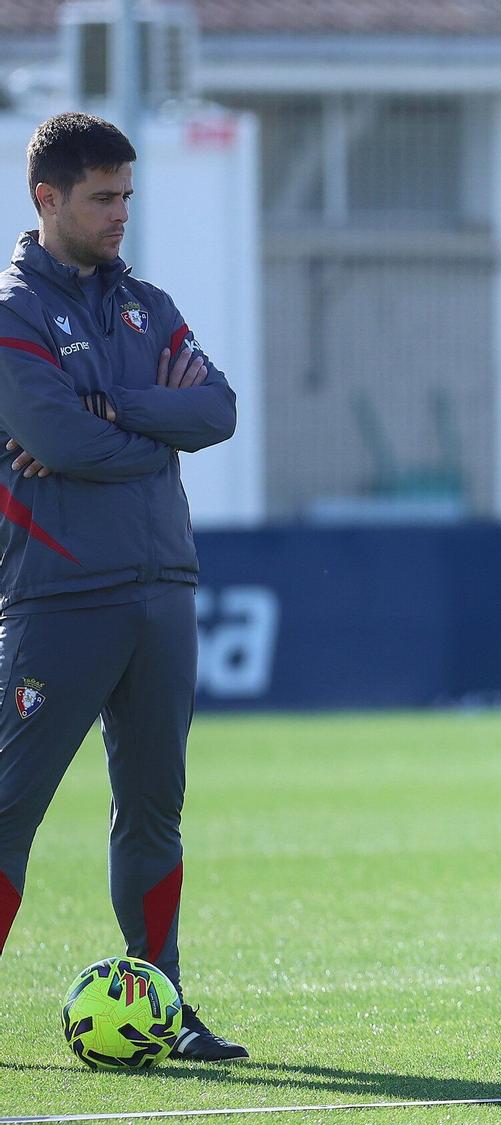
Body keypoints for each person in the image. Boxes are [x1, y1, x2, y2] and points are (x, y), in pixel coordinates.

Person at [0, 112, 247, 1061]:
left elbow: (216, 410)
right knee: (9, 810)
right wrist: (154, 430)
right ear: (47, 197)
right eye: (103, 198)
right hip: (59, 599)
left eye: (127, 196)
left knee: (153, 813)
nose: (121, 214)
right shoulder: (14, 309)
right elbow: (56, 438)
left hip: (162, 589)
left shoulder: (148, 304)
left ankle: (166, 1005)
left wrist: (118, 408)